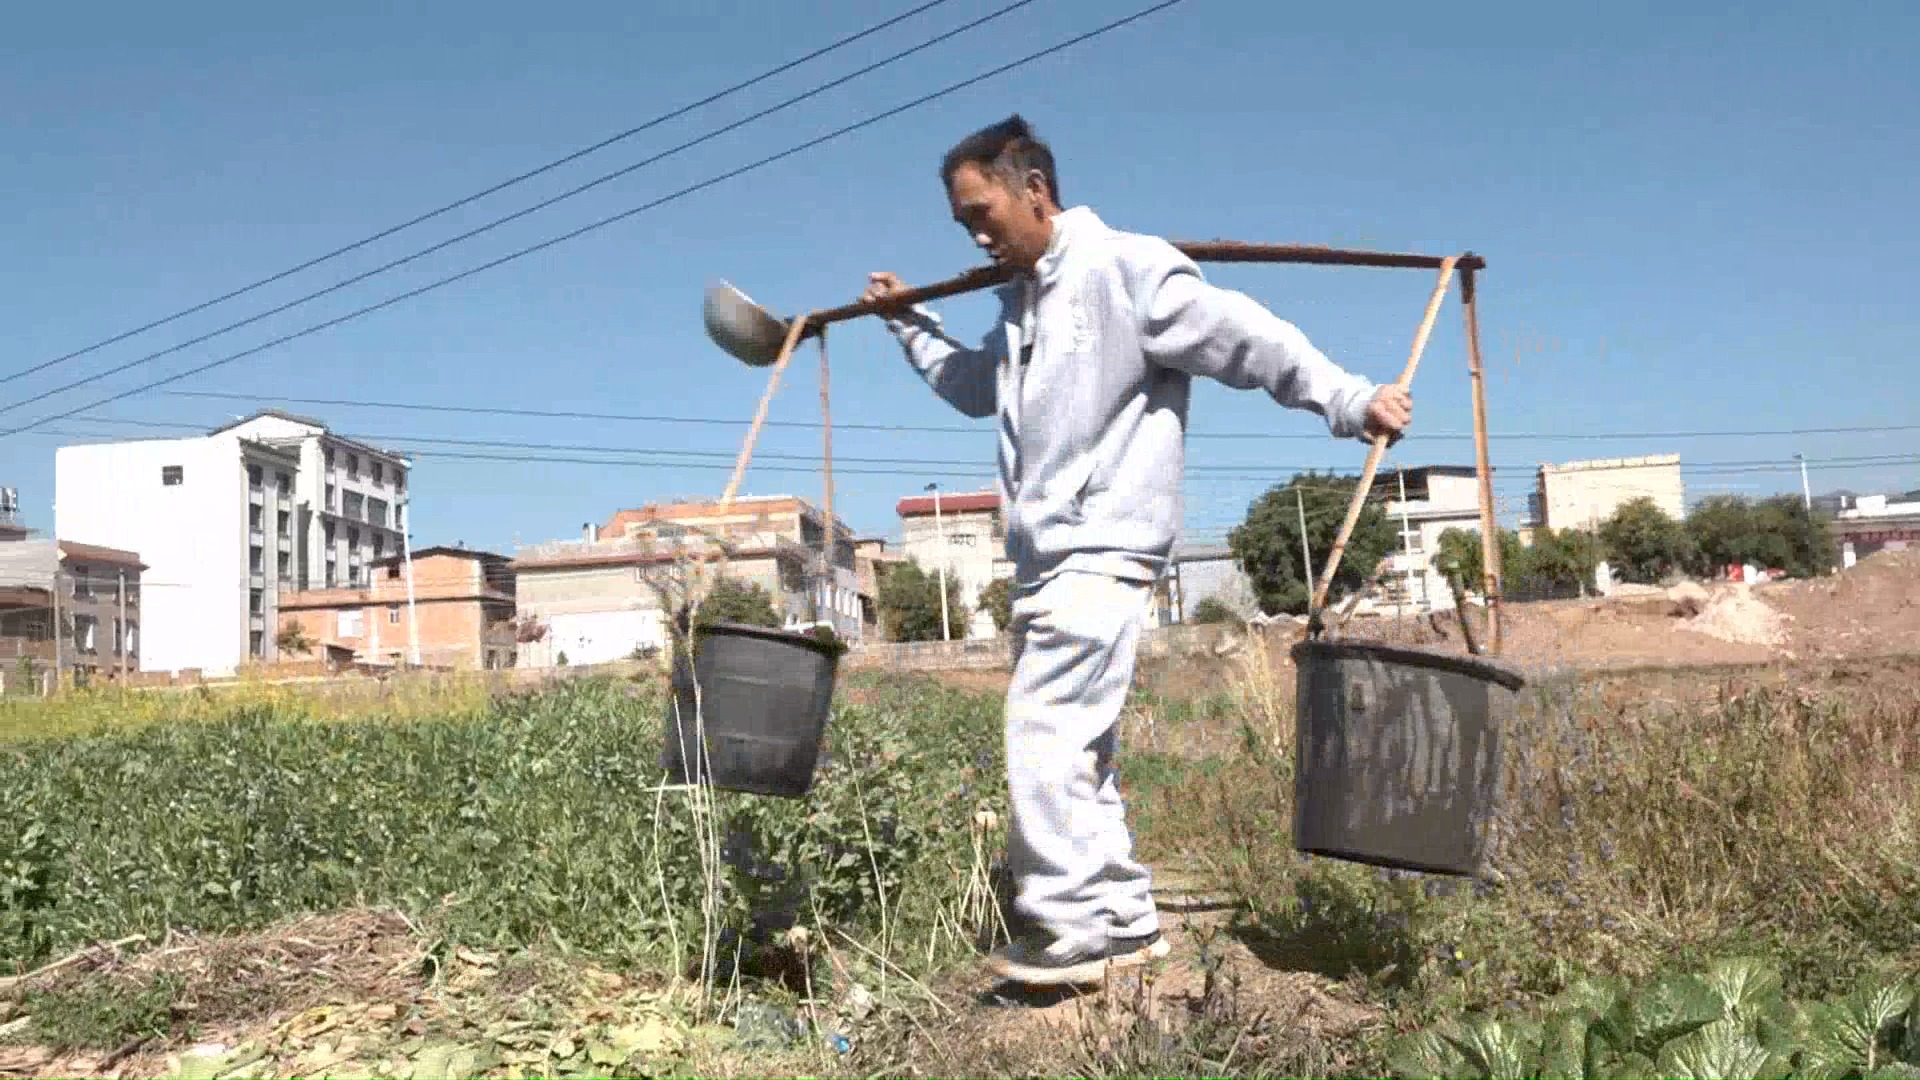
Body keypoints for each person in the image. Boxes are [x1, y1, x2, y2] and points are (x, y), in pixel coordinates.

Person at [863, 114, 1413, 987]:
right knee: (1083, 753)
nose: (974, 233)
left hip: (1105, 546)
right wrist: (909, 324)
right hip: (1044, 563)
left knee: (1042, 734)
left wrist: (1348, 399)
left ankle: (1066, 929)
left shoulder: (1125, 270)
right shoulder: (1019, 309)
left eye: (983, 211)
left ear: (1035, 190)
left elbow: (1247, 338)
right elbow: (975, 389)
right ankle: (1122, 920)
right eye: (961, 222)